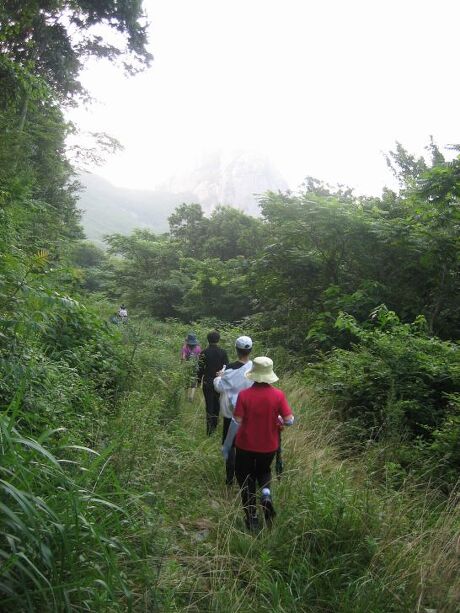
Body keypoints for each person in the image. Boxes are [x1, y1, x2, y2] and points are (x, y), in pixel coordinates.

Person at [222, 356, 294, 532]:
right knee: (264, 471)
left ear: (253, 374)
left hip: (245, 445)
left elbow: (236, 422)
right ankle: (266, 495)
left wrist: (227, 445)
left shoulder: (244, 395)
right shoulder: (278, 395)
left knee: (246, 478)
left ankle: (252, 517)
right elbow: (289, 421)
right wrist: (279, 418)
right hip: (269, 446)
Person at [213, 335, 253, 486]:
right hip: (249, 415)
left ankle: (230, 478)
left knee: (230, 446)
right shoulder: (255, 369)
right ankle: (245, 478)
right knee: (246, 447)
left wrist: (218, 377)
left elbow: (219, 387)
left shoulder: (229, 369)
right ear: (250, 350)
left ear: (237, 350)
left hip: (231, 414)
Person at [197, 330, 229, 435]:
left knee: (209, 405)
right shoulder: (223, 352)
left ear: (208, 340)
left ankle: (209, 431)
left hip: (208, 382)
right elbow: (226, 368)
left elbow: (200, 369)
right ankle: (215, 426)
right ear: (218, 340)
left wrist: (199, 381)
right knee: (217, 404)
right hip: (219, 382)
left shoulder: (204, 352)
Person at [180, 332, 202, 402]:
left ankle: (186, 397)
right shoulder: (198, 348)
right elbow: (199, 358)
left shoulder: (185, 348)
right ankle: (191, 397)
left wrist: (182, 364)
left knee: (186, 382)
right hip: (195, 367)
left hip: (187, 367)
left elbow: (183, 358)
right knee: (194, 382)